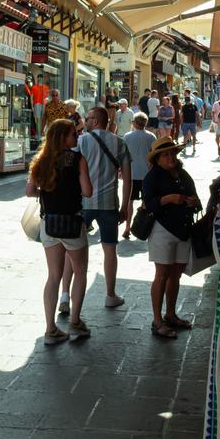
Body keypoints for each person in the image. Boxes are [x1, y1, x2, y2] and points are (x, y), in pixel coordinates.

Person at [26, 118, 93, 345]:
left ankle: (50, 329)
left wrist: (49, 192)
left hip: (49, 224)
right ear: (63, 137)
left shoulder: (40, 161)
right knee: (80, 272)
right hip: (72, 223)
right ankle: (75, 321)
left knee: (53, 276)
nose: (77, 137)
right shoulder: (77, 159)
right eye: (73, 134)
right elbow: (87, 191)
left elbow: (29, 191)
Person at [142, 137, 201, 338]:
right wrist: (167, 199)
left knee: (175, 274)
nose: (170, 157)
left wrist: (193, 202)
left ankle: (170, 315)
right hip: (162, 229)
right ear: (157, 159)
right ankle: (157, 320)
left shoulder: (183, 175)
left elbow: (196, 200)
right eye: (165, 154)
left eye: (172, 153)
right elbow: (148, 204)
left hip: (182, 229)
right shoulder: (153, 177)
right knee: (162, 274)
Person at [77, 106, 132, 309]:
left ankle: (66, 295)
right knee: (110, 250)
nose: (86, 121)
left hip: (84, 202)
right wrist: (126, 206)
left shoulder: (81, 140)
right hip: (109, 204)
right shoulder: (120, 142)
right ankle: (110, 295)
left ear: (96, 121)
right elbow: (128, 180)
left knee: (74, 249)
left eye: (88, 118)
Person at [122, 112, 154, 240]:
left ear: (135, 123)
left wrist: (121, 169)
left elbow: (123, 155)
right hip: (147, 174)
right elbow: (154, 154)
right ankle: (143, 226)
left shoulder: (127, 136)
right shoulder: (151, 136)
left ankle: (128, 227)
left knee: (130, 201)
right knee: (146, 201)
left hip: (131, 173)